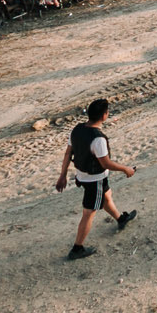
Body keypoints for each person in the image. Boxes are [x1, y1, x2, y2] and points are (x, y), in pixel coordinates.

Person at [56, 97, 137, 261]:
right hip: (95, 180)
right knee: (89, 212)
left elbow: (68, 153)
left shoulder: (77, 130)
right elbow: (105, 163)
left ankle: (121, 219)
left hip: (82, 175)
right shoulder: (98, 139)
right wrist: (126, 169)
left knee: (106, 196)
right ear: (104, 115)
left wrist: (62, 175)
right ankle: (77, 248)